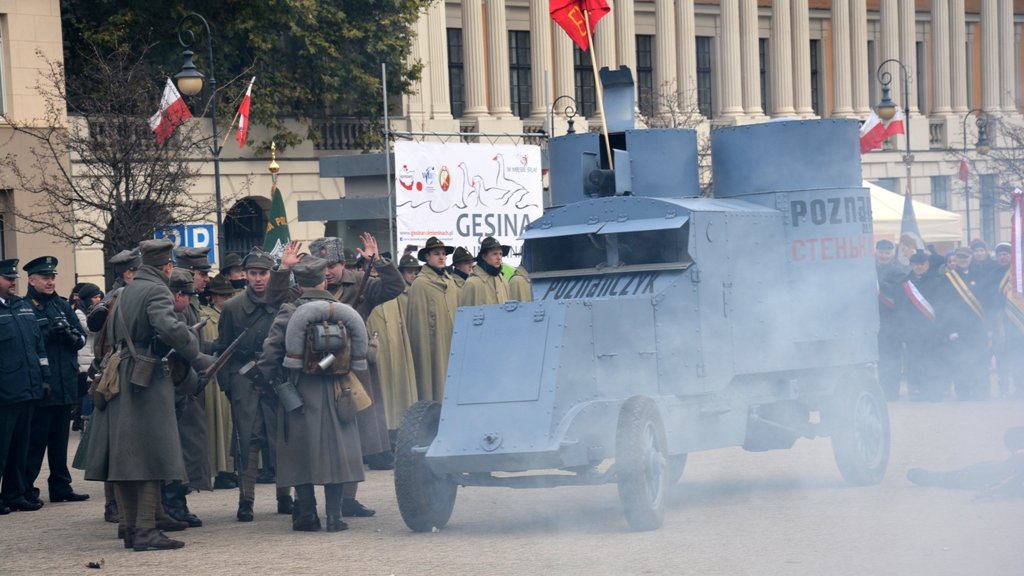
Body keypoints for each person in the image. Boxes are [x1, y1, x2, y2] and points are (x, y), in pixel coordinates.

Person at [84, 239, 212, 551]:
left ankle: (130, 527)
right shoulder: (156, 290)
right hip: (147, 378)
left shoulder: (124, 292)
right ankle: (145, 530)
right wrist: (197, 356)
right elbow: (169, 327)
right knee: (153, 453)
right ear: (167, 266)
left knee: (128, 457)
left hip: (123, 375)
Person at [258, 256, 368, 532]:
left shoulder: (288, 311)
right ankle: (334, 517)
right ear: (323, 280)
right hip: (337, 390)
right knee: (337, 451)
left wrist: (271, 384)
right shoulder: (341, 310)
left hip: (299, 392)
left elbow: (271, 354)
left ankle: (306, 515)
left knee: (299, 453)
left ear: (299, 283)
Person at [309, 234, 403, 506]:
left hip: (354, 373)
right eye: (322, 266)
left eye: (333, 265)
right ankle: (314, 501)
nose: (328, 271)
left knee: (354, 437)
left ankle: (348, 499)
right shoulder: (307, 288)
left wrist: (379, 261)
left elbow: (394, 287)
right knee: (323, 437)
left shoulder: (361, 285)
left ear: (343, 263)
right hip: (317, 370)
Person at [216, 248, 291, 522]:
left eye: (263, 273)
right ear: (245, 275)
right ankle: (245, 499)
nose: (258, 279)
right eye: (253, 273)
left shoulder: (282, 303)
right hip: (244, 377)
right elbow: (223, 350)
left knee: (280, 436)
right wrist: (229, 386)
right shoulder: (232, 307)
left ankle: (285, 496)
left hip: (275, 376)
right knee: (247, 439)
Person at [22, 256, 89, 506]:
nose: (50, 281)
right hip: (44, 383)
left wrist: (69, 335)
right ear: (31, 280)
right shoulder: (26, 306)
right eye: (44, 277)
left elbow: (81, 338)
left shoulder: (62, 305)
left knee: (60, 440)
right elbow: (28, 341)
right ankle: (26, 488)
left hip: (65, 381)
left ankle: (61, 486)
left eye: (52, 277)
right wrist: (50, 334)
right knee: (36, 440)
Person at [161, 247, 213, 526]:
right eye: (202, 273)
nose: (206, 279)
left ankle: (176, 500)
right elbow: (179, 344)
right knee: (182, 445)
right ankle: (173, 503)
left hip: (189, 381)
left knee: (189, 444)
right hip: (180, 383)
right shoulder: (176, 296)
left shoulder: (188, 299)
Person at [0, 258, 50, 514]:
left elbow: (38, 346)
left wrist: (44, 377)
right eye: (8, 279)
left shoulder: (21, 307)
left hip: (28, 389)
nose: (12, 283)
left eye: (14, 279)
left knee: (20, 448)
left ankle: (15, 494)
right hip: (4, 393)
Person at [367, 255, 419, 440]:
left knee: (397, 394)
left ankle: (397, 432)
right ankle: (384, 437)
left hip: (394, 350)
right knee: (381, 396)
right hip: (376, 352)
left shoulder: (391, 293)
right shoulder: (366, 290)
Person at [934, 247, 992, 400]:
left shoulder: (981, 276)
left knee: (980, 360)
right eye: (959, 257)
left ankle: (982, 392)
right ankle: (963, 393)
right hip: (958, 329)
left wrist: (989, 327)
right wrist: (949, 330)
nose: (962, 260)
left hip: (978, 327)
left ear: (971, 257)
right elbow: (944, 307)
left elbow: (988, 303)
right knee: (960, 362)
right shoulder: (948, 279)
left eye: (965, 257)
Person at [406, 236, 459, 402]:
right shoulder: (420, 284)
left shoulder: (451, 284)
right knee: (433, 382)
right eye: (437, 253)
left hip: (451, 342)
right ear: (427, 257)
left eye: (444, 253)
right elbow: (417, 326)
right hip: (432, 346)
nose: (442, 257)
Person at [201, 274, 237, 489]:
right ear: (214, 297)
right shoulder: (205, 317)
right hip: (213, 375)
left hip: (231, 373)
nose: (226, 299)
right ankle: (219, 471)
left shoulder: (234, 314)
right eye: (222, 296)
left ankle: (230, 469)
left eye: (229, 295)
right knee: (216, 426)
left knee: (230, 425)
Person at [894, 252, 943, 401]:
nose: (919, 267)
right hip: (913, 329)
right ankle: (915, 388)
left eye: (922, 264)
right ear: (911, 265)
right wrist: (904, 328)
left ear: (927, 265)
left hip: (932, 328)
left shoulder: (937, 281)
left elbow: (942, 306)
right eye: (915, 264)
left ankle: (933, 388)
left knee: (933, 359)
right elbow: (900, 308)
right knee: (914, 359)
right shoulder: (904, 283)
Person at [875, 239, 908, 400]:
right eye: (881, 252)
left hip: (892, 321)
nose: (883, 255)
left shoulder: (899, 271)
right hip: (874, 321)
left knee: (892, 359)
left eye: (887, 253)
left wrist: (879, 284)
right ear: (876, 252)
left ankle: (891, 391)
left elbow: (899, 294)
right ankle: (881, 390)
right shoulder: (869, 269)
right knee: (879, 359)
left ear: (892, 254)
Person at [459, 236, 511, 307]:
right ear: (484, 256)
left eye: (500, 254)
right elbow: (466, 315)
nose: (499, 258)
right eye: (495, 254)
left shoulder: (503, 281)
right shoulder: (472, 283)